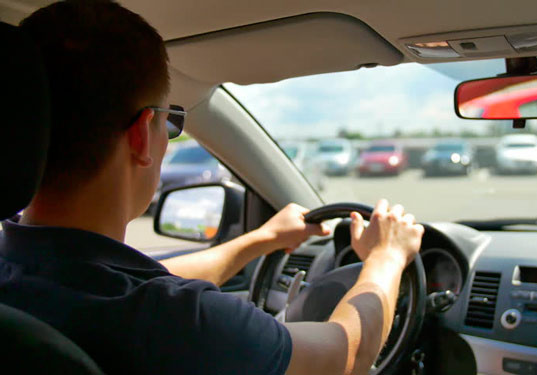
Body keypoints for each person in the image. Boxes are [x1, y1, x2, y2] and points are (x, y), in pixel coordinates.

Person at [0, 1, 424, 374]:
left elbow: (136, 280)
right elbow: (346, 356)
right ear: (143, 135)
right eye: (170, 121)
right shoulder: (180, 323)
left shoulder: (27, 276)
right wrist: (387, 257)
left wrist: (261, 240)